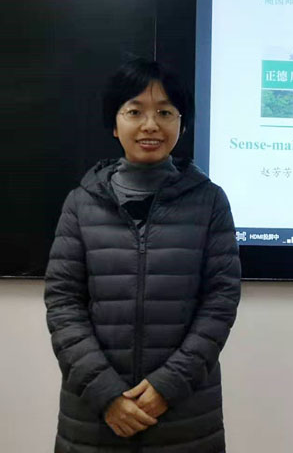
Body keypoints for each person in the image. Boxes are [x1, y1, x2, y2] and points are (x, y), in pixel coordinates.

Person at [44, 58, 241, 453]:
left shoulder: (209, 202)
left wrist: (168, 386)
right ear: (115, 124)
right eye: (135, 112)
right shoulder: (81, 203)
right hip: (94, 415)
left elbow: (220, 301)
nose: (151, 125)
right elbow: (63, 303)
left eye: (165, 112)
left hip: (184, 413)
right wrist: (106, 394)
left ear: (182, 124)